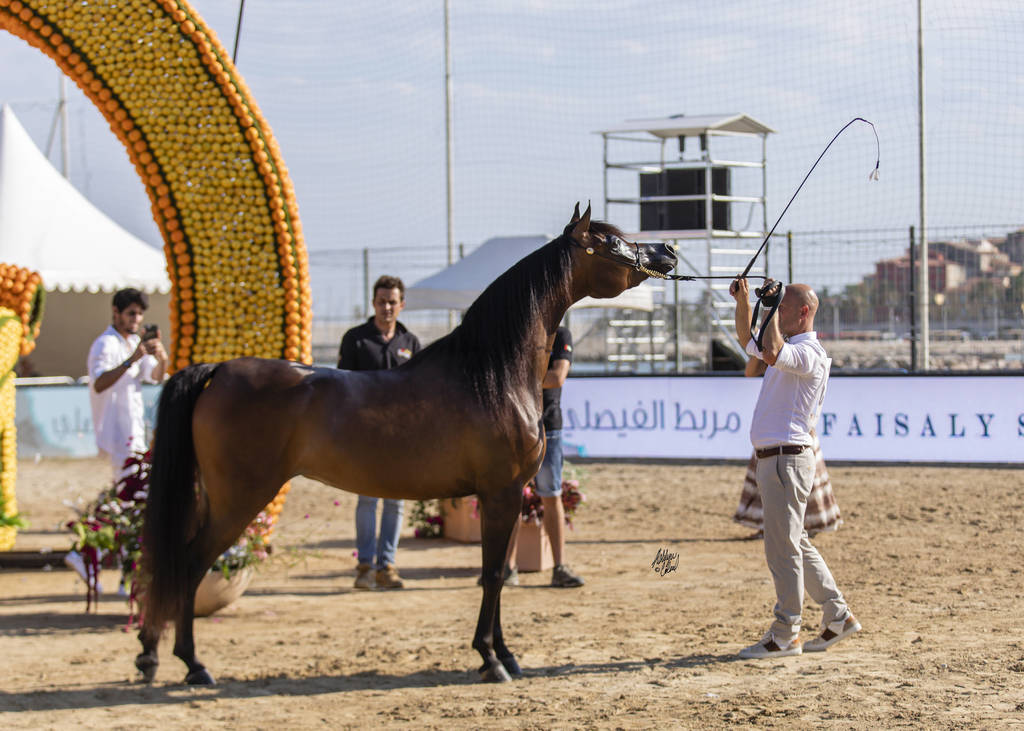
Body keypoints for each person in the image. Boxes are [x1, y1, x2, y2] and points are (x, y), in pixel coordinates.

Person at [730, 277, 859, 659]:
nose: (777, 314)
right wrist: (746, 302)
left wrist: (767, 306)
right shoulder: (792, 348)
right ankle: (838, 617)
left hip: (785, 460)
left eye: (783, 309)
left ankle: (786, 632)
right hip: (780, 459)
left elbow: (768, 349)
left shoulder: (809, 353)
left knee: (782, 550)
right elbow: (749, 344)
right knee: (794, 543)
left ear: (803, 313)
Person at [68, 288, 168, 587]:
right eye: (131, 313)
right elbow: (99, 383)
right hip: (115, 435)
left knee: (131, 501)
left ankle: (96, 557)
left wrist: (160, 356)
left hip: (133, 434)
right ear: (116, 312)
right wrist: (132, 359)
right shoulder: (106, 344)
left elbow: (157, 376)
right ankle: (92, 556)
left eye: (139, 314)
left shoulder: (134, 342)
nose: (136, 319)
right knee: (131, 499)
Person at [338, 275, 421, 590]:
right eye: (381, 301)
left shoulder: (411, 343)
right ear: (373, 303)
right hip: (365, 436)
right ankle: (364, 567)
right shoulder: (356, 339)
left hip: (400, 439)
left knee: (396, 503)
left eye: (392, 302)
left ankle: (388, 566)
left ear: (401, 305)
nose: (387, 307)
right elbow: (342, 386)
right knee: (368, 500)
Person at [502, 325, 584, 588]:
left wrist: (517, 377)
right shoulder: (518, 331)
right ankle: (507, 567)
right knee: (514, 496)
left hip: (547, 426)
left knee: (551, 495)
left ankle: (559, 566)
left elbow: (557, 377)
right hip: (516, 425)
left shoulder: (561, 335)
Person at [733, 358, 842, 538]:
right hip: (776, 423)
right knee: (775, 477)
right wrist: (760, 347)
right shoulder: (775, 348)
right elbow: (750, 371)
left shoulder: (800, 349)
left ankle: (808, 524)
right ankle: (767, 524)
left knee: (798, 476)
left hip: (796, 425)